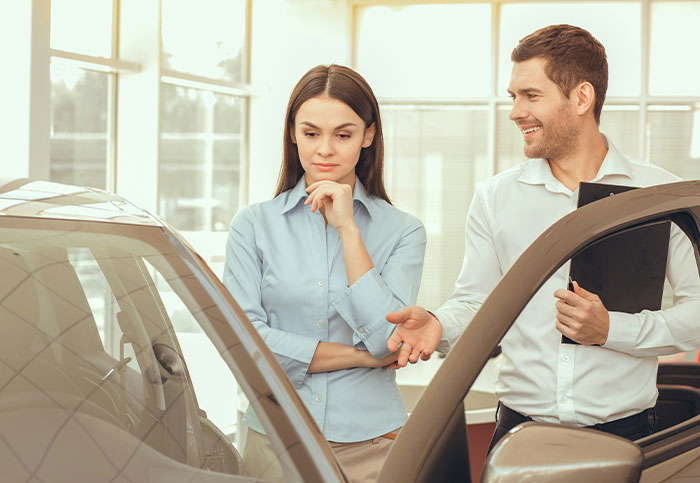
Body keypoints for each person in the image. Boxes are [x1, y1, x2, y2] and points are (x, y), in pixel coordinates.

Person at [385, 24, 700, 450]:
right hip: (517, 435)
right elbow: (478, 302)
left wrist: (612, 330)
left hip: (626, 438)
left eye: (530, 96)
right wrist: (439, 324)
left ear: (582, 98)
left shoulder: (657, 196)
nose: (515, 111)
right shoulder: (496, 197)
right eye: (514, 96)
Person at [223, 64, 426, 482]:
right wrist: (359, 357)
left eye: (344, 134)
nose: (325, 150)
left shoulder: (404, 231)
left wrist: (348, 230)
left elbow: (386, 340)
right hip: (275, 443)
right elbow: (245, 342)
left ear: (368, 136)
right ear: (293, 133)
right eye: (312, 133)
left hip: (372, 446)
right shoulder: (253, 225)